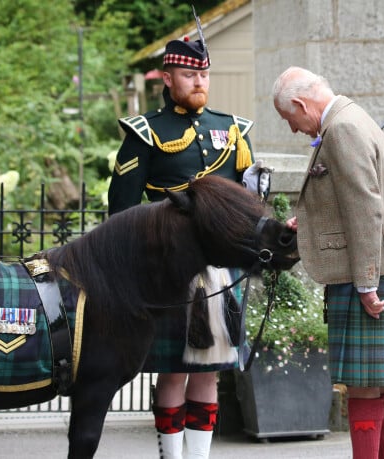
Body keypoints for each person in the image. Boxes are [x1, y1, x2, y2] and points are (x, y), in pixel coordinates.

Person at [108, 35, 267, 459]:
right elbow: (121, 211)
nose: (199, 81)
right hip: (169, 270)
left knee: (210, 369)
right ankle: (171, 456)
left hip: (221, 268)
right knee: (174, 369)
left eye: (203, 73)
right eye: (189, 74)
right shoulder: (146, 132)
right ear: (167, 77)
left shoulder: (232, 129)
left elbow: (248, 201)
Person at [272, 66, 384, 458]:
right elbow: (350, 198)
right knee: (380, 384)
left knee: (363, 386)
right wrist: (306, 222)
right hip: (380, 264)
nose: (293, 129)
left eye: (289, 119)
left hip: (367, 269)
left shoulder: (341, 129)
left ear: (299, 104)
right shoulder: (355, 116)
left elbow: (365, 207)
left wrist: (366, 283)